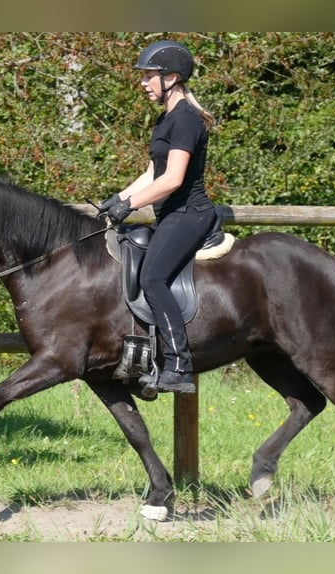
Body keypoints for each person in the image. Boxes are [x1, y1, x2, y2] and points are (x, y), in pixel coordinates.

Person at [99, 39, 217, 394]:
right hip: (170, 214)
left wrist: (131, 205)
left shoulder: (186, 121)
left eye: (149, 76)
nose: (143, 83)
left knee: (152, 278)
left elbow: (173, 179)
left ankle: (179, 365)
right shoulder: (165, 119)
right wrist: (117, 198)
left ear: (172, 77)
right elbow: (153, 172)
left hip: (189, 213)